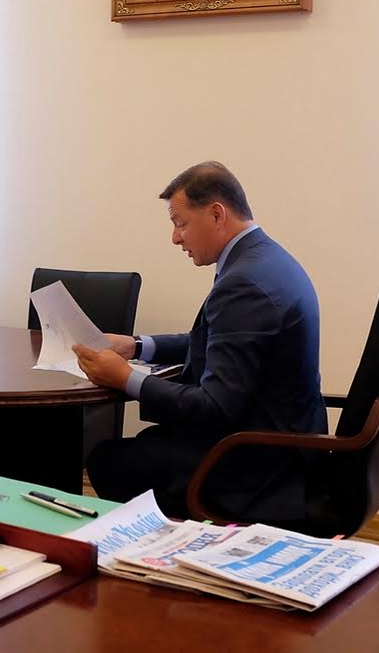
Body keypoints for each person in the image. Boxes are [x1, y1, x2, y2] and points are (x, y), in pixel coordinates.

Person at [74, 161, 324, 522]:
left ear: (217, 214)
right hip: (282, 443)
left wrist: (126, 378)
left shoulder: (245, 282)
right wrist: (137, 346)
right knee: (145, 445)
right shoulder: (265, 259)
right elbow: (218, 339)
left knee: (110, 461)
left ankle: (172, 546)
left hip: (260, 465)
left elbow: (215, 406)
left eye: (180, 223)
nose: (175, 238)